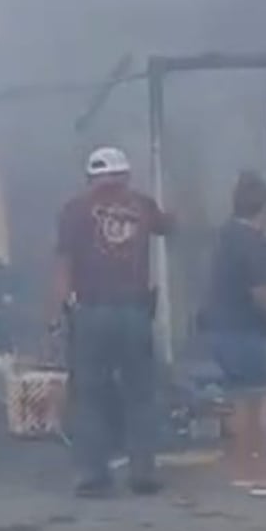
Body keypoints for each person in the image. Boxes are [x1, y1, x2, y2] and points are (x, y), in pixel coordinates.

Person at [51, 146, 173, 498]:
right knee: (140, 394)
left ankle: (93, 476)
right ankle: (142, 473)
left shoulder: (74, 209)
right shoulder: (142, 205)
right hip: (134, 312)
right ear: (126, 175)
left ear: (91, 177)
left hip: (91, 311)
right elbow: (170, 226)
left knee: (90, 396)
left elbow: (63, 263)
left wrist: (59, 311)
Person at [203, 171, 266, 497]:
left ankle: (245, 471)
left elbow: (249, 274)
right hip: (246, 334)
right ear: (264, 208)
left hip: (221, 332)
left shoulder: (228, 235)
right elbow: (262, 292)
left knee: (242, 400)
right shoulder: (254, 242)